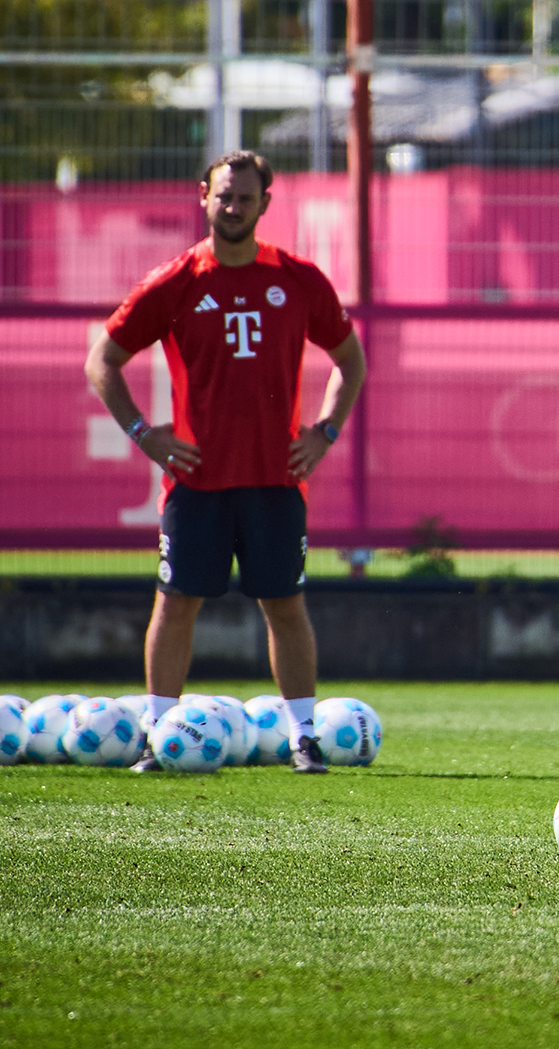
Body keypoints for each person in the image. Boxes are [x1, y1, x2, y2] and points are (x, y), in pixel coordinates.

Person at [83, 149, 366, 776]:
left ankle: (304, 737)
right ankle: (158, 735)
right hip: (196, 479)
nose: (233, 207)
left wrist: (324, 432)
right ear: (202, 198)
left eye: (245, 197)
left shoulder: (298, 279)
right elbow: (102, 360)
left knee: (285, 605)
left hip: (276, 477)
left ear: (265, 203)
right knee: (177, 601)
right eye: (223, 196)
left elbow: (352, 362)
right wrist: (142, 431)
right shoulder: (176, 281)